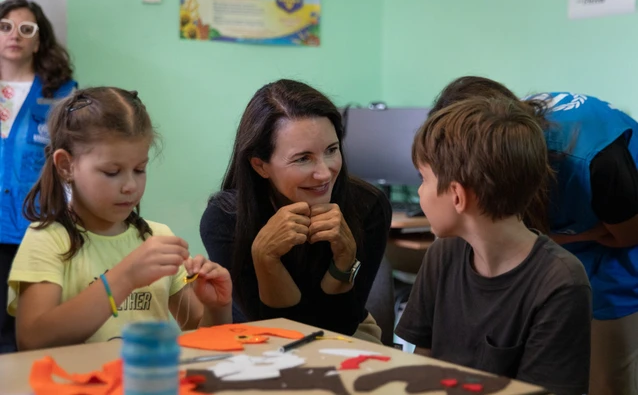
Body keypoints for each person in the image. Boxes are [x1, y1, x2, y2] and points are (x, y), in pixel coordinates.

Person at [427, 76, 638, 395]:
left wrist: (545, 240)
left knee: (606, 375)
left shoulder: (594, 159)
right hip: (570, 232)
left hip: (618, 242)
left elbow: (626, 235)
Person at [7, 87, 232, 350]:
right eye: (112, 172)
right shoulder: (48, 240)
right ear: (66, 166)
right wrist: (125, 277)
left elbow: (202, 338)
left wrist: (217, 307)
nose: (129, 186)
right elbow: (32, 339)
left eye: (139, 170)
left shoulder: (157, 238)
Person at [394, 97, 591, 395]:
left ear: (457, 196)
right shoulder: (442, 254)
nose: (420, 191)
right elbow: (423, 359)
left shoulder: (561, 283)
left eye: (423, 179)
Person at [200, 79, 392, 340]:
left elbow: (341, 325)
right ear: (260, 166)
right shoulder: (225, 218)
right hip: (256, 334)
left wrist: (345, 262)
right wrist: (265, 258)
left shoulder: (368, 206)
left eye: (331, 150)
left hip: (344, 332)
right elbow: (271, 330)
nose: (325, 173)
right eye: (303, 158)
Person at [0, 0, 76, 353]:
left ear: (38, 40)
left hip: (36, 225)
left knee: (27, 331)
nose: (14, 35)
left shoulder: (61, 94)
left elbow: (74, 160)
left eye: (25, 29)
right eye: (4, 27)